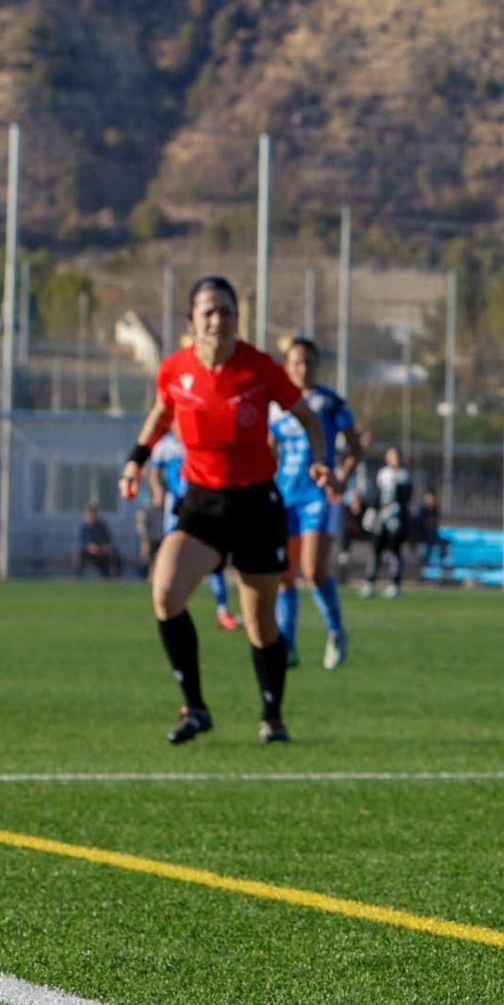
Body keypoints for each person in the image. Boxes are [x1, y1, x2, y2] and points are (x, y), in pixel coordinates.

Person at [118, 275, 334, 744]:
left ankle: (272, 717)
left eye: (226, 312)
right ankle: (194, 708)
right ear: (191, 320)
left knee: (260, 624)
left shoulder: (259, 367)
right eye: (209, 312)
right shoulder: (175, 368)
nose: (218, 320)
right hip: (202, 502)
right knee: (165, 592)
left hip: (257, 502)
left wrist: (320, 461)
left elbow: (309, 418)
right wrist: (136, 459)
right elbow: (162, 412)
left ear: (238, 319)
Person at [270, 338, 364, 669]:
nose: (303, 368)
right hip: (284, 496)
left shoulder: (329, 402)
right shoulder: (275, 406)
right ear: (285, 366)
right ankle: (287, 644)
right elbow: (269, 452)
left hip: (318, 496)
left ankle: (336, 631)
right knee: (283, 574)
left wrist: (340, 478)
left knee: (312, 571)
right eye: (297, 362)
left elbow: (355, 448)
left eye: (309, 362)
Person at [150, 426, 240, 628]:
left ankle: (223, 609)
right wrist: (157, 490)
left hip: (202, 504)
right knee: (172, 557)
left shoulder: (199, 439)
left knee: (213, 556)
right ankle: (175, 605)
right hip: (175, 506)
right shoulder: (164, 446)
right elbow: (154, 473)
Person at [361, 446, 412, 599]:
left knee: (395, 551)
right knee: (376, 549)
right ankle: (370, 582)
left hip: (395, 519)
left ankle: (395, 584)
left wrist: (397, 512)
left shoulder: (405, 475)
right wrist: (372, 510)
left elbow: (406, 498)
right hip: (380, 518)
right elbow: (376, 494)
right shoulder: (383, 474)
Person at [73, 506, 120, 577]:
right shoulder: (83, 527)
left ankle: (110, 578)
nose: (91, 517)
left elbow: (108, 539)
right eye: (89, 515)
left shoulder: (102, 526)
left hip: (101, 553)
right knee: (79, 555)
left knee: (113, 555)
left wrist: (103, 547)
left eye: (92, 514)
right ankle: (78, 577)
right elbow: (80, 542)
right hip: (88, 553)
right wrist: (89, 547)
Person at [416, 489, 447, 573]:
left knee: (444, 543)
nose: (430, 500)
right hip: (422, 537)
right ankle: (422, 567)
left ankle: (442, 568)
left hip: (432, 535)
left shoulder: (435, 510)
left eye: (432, 498)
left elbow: (435, 525)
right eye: (428, 498)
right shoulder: (421, 510)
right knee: (425, 547)